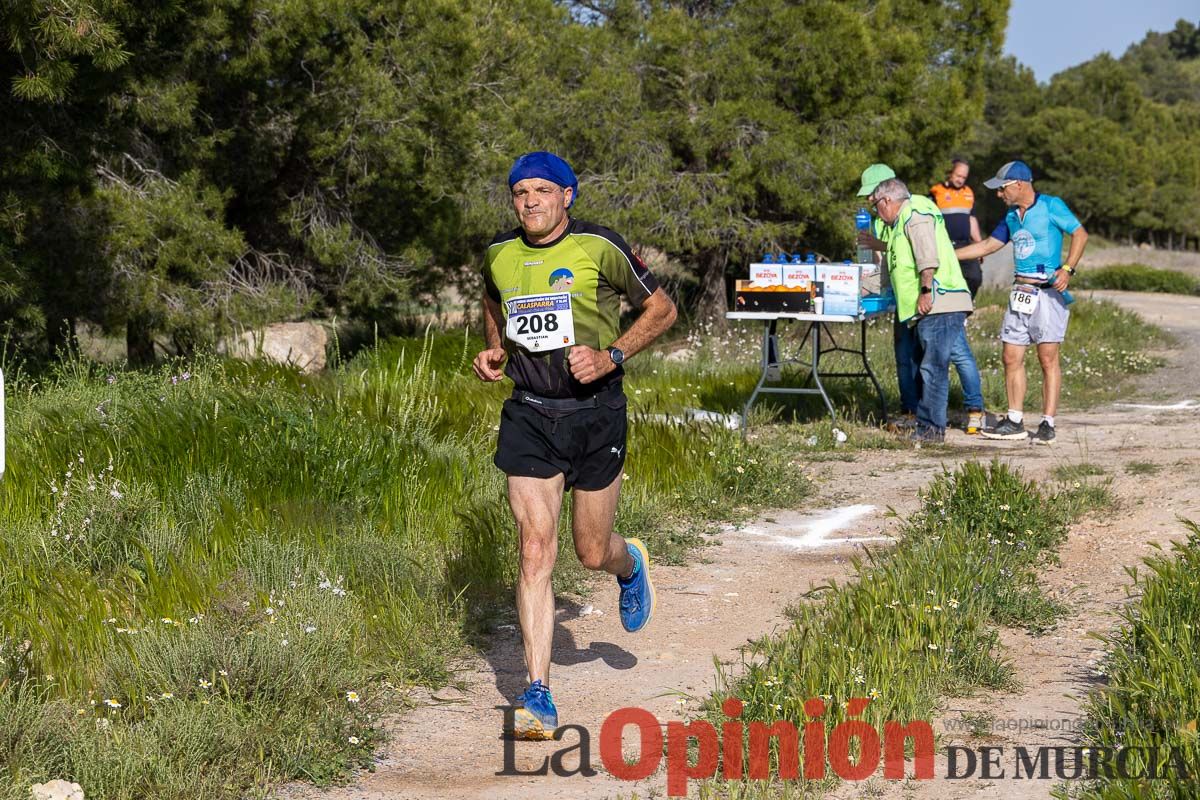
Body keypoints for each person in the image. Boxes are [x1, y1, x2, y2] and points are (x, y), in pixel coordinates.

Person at [472, 151, 677, 740]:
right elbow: (493, 300)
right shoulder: (499, 254)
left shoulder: (599, 246)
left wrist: (612, 354)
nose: (530, 200)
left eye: (542, 190)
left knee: (590, 551)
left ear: (567, 195)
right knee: (536, 549)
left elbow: (661, 309)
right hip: (530, 414)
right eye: (519, 192)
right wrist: (497, 349)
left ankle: (628, 562)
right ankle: (537, 692)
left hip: (596, 415)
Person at [955, 160, 1088, 445]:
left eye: (1001, 189)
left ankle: (1047, 423)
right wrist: (948, 255)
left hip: (1048, 294)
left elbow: (1080, 233)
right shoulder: (1012, 216)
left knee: (1047, 358)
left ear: (1018, 184)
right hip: (1020, 294)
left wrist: (1067, 269)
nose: (998, 194)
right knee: (1010, 357)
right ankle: (1014, 420)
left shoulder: (1051, 205)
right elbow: (990, 245)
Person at [868, 178, 976, 442]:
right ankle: (927, 426)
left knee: (933, 368)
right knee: (927, 366)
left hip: (939, 302)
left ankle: (931, 431)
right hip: (926, 309)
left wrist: (926, 291)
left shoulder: (915, 214)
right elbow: (890, 272)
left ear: (886, 201)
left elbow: (927, 256)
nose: (877, 215)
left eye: (876, 208)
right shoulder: (897, 226)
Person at [857, 163, 921, 426]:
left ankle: (939, 409)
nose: (869, 200)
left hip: (918, 292)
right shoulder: (876, 218)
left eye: (872, 194)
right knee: (903, 355)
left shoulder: (912, 211)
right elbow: (881, 261)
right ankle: (909, 409)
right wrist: (866, 289)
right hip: (896, 294)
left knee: (924, 354)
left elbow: (905, 250)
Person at [929, 159, 987, 435]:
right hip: (943, 248)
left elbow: (973, 220)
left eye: (966, 176)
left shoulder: (969, 194)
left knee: (975, 276)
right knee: (949, 354)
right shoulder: (935, 191)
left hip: (964, 247)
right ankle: (927, 414)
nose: (962, 180)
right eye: (958, 175)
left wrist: (980, 245)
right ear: (950, 173)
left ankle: (964, 311)